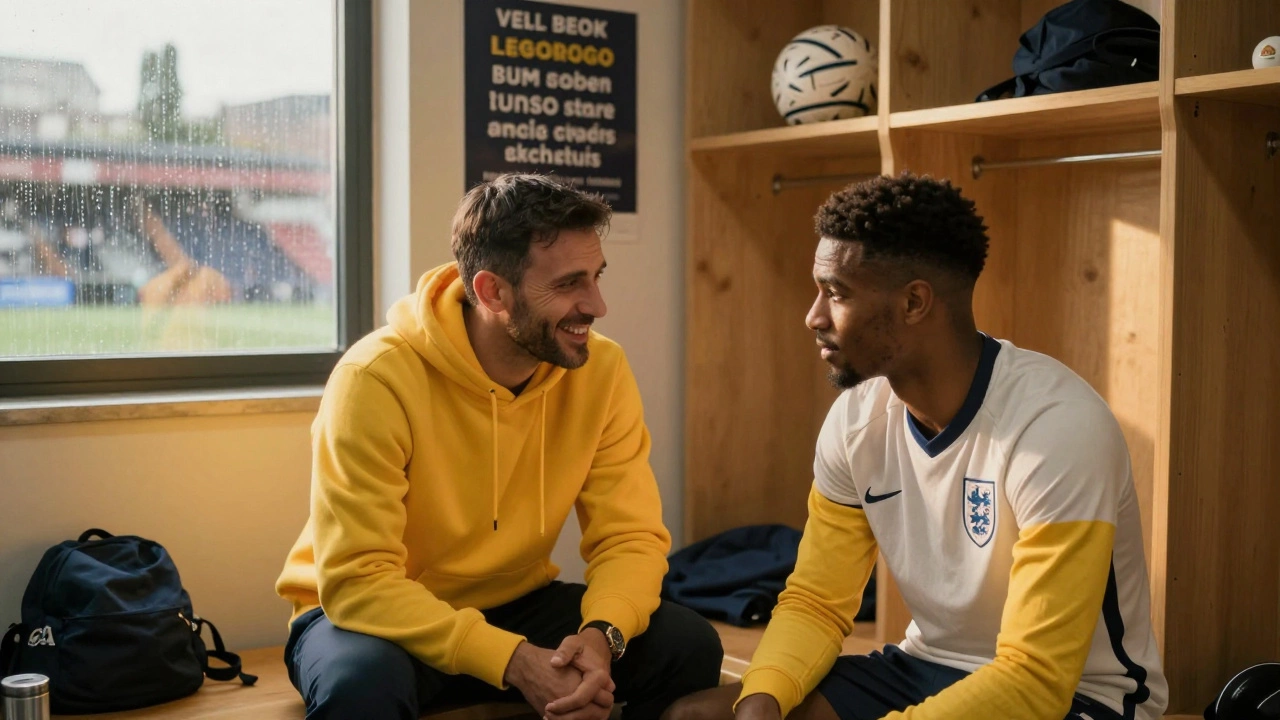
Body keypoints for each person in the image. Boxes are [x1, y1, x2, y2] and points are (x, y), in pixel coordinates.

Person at [663, 172, 1168, 720]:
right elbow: (815, 601)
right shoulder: (856, 422)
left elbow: (1035, 679)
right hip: (922, 668)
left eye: (836, 293)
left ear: (914, 303)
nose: (814, 317)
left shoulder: (1056, 427)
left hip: (1076, 696)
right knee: (697, 716)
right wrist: (760, 704)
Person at [276, 173, 723, 720]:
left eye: (596, 276)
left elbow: (629, 537)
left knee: (688, 644)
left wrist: (603, 633)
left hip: (514, 604)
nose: (597, 305)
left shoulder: (601, 369)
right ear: (492, 291)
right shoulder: (374, 378)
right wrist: (511, 660)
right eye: (568, 285)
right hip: (374, 615)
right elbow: (358, 581)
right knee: (361, 688)